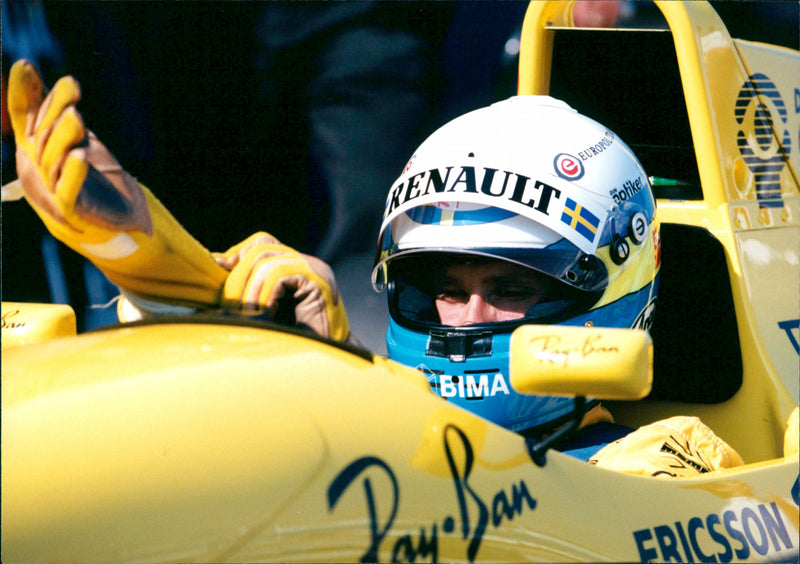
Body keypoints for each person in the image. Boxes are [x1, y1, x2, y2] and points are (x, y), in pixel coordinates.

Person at [6, 59, 748, 477]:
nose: (468, 320)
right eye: (445, 290)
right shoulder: (383, 404)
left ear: (613, 296)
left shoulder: (664, 462)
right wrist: (169, 278)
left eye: (511, 288)